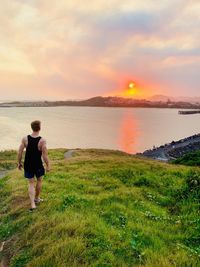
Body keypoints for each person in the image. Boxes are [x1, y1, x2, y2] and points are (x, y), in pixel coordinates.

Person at [17, 120, 50, 211]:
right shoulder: (42, 140)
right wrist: (48, 165)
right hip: (38, 164)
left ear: (32, 127)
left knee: (31, 183)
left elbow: (19, 152)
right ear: (39, 128)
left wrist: (19, 163)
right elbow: (45, 155)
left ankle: (33, 204)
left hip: (28, 164)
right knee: (39, 180)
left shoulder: (25, 139)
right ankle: (37, 198)